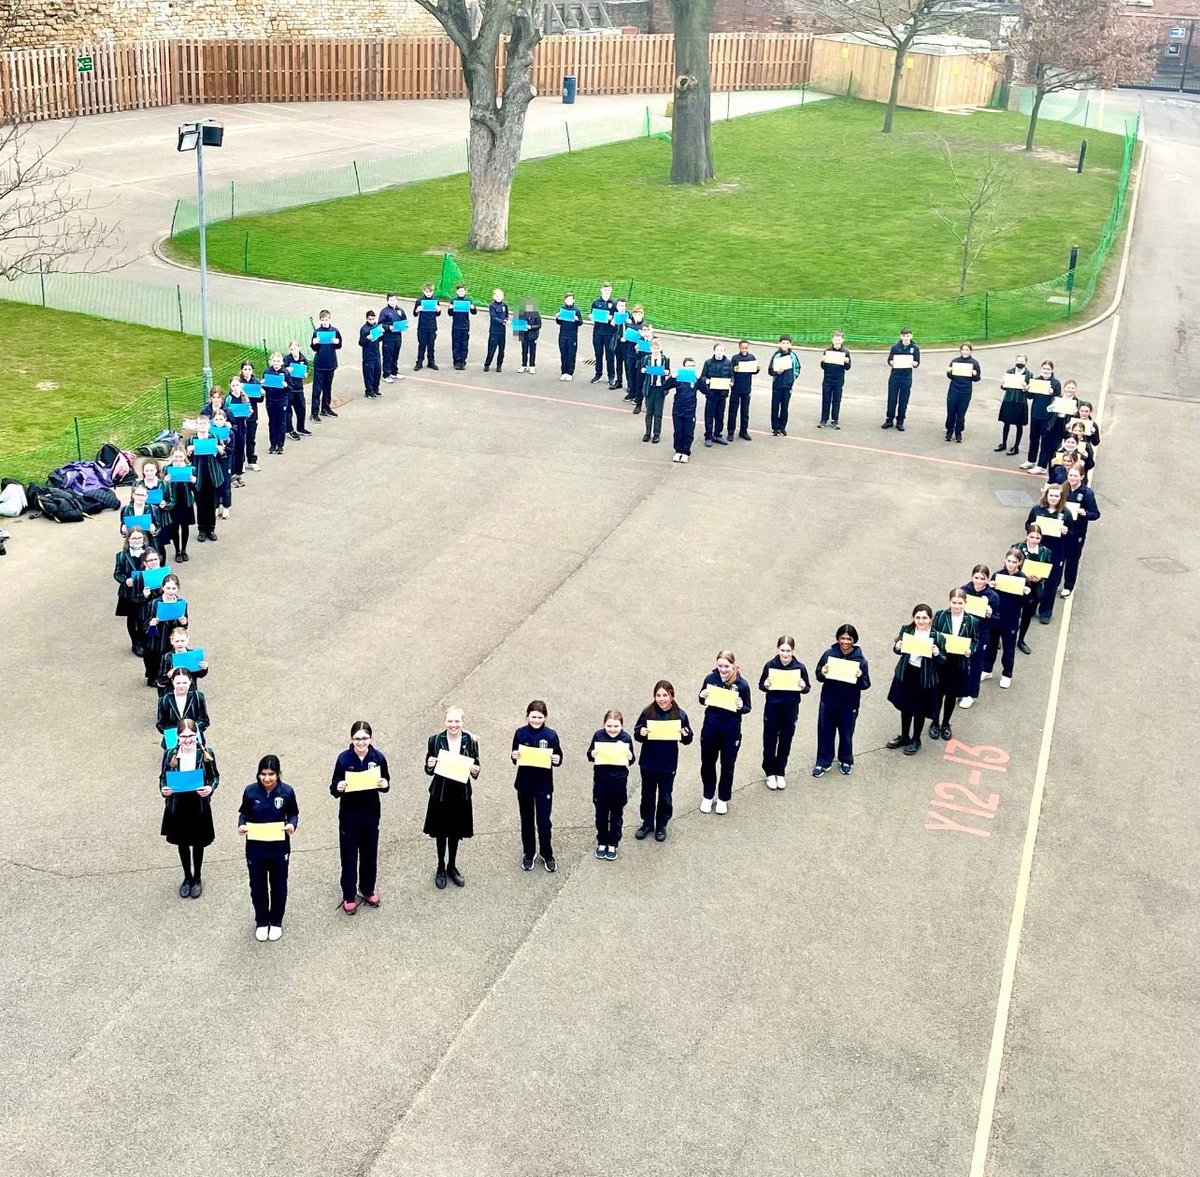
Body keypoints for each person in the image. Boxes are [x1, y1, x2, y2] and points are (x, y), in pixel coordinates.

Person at [330, 721, 391, 914]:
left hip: (371, 815)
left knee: (369, 856)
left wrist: (384, 783)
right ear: (351, 739)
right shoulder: (343, 759)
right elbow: (334, 786)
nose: (361, 742)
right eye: (357, 738)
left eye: (364, 738)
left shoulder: (378, 758)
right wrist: (338, 787)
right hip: (349, 817)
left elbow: (386, 783)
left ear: (370, 738)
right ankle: (349, 895)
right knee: (348, 857)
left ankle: (367, 889)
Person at [237, 754, 299, 941]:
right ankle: (262, 921)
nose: (267, 778)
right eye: (263, 774)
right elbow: (243, 814)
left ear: (278, 774)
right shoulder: (250, 791)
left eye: (271, 774)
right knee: (257, 886)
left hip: (279, 848)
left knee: (279, 885)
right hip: (255, 848)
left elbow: (294, 814)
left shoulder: (287, 792)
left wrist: (292, 825)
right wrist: (241, 825)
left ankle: (276, 921)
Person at [159, 719, 218, 900]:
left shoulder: (206, 753)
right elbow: (162, 778)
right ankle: (187, 877)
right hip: (178, 805)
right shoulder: (170, 754)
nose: (187, 740)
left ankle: (197, 878)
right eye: (183, 736)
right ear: (177, 736)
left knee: (198, 842)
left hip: (198, 804)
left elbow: (214, 777)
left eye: (191, 736)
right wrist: (164, 789)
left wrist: (210, 788)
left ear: (197, 735)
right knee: (182, 843)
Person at [423, 707, 480, 888]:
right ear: (444, 722)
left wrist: (475, 770)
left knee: (455, 832)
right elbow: (428, 768)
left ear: (462, 722)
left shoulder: (470, 740)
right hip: (441, 792)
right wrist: (429, 764)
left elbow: (476, 764)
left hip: (460, 792)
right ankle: (440, 866)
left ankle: (452, 866)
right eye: (450, 721)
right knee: (441, 832)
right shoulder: (435, 740)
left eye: (457, 721)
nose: (453, 725)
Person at [633, 680, 693, 841]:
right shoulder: (647, 713)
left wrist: (686, 734)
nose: (662, 699)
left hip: (668, 764)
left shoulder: (680, 715)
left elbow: (687, 739)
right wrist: (641, 732)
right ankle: (647, 823)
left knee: (665, 796)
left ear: (671, 696)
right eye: (658, 695)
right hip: (648, 763)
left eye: (665, 695)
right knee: (647, 795)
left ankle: (661, 825)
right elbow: (637, 734)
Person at [510, 700, 563, 873]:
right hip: (524, 785)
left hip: (544, 786)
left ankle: (547, 854)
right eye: (533, 716)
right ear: (527, 716)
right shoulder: (520, 733)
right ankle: (529, 853)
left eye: (540, 717)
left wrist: (557, 759)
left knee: (544, 822)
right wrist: (514, 755)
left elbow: (558, 757)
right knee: (527, 821)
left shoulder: (551, 735)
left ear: (545, 717)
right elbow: (514, 756)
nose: (536, 720)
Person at [811, 624, 871, 777]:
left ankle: (846, 760)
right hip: (828, 702)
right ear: (838, 639)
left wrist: (859, 676)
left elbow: (865, 684)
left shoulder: (860, 661)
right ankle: (823, 761)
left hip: (849, 704)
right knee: (825, 732)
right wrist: (823, 672)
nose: (845, 642)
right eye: (842, 638)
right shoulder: (829, 654)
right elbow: (818, 675)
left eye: (848, 639)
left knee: (846, 733)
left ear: (854, 640)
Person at [697, 650, 752, 814]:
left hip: (731, 730)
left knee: (727, 765)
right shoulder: (710, 679)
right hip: (711, 727)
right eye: (720, 666)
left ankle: (723, 798)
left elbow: (748, 708)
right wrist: (702, 695)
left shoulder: (742, 685)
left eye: (726, 666)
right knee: (707, 762)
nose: (723, 669)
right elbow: (702, 699)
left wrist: (742, 706)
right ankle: (708, 795)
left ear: (733, 665)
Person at [886, 604, 943, 755]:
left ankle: (916, 739)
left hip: (924, 676)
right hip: (907, 672)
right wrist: (897, 646)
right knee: (905, 706)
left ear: (931, 619)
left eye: (924, 617)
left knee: (919, 709)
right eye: (918, 617)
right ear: (913, 618)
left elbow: (942, 660)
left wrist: (936, 653)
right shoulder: (907, 630)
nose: (921, 621)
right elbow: (898, 650)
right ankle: (905, 736)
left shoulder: (937, 636)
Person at [758, 635, 811, 790]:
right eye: (782, 650)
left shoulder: (799, 667)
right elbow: (761, 684)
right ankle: (769, 772)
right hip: (772, 709)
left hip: (790, 709)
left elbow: (807, 688)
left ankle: (780, 771)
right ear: (777, 649)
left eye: (788, 650)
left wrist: (803, 686)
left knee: (785, 741)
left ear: (793, 651)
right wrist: (766, 684)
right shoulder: (770, 665)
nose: (785, 654)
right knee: (769, 741)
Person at [587, 710, 636, 860]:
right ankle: (602, 841)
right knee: (600, 816)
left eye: (616, 726)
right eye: (609, 726)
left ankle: (613, 843)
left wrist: (630, 757)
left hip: (618, 783)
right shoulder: (598, 736)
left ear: (622, 725)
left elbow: (631, 760)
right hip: (601, 783)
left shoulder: (626, 738)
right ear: (604, 725)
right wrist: (592, 754)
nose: (612, 729)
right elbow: (589, 754)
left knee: (616, 816)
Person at [931, 588, 978, 740]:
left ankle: (946, 723)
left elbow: (975, 641)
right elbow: (933, 634)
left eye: (960, 603)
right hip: (941, 661)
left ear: (965, 603)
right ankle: (934, 722)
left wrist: (970, 650)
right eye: (954, 603)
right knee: (938, 694)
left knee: (951, 695)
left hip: (958, 662)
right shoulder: (940, 615)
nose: (956, 606)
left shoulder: (971, 621)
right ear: (949, 602)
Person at [984, 549, 1030, 688]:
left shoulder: (1024, 580)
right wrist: (989, 587)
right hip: (995, 617)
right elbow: (989, 597)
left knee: (1009, 649)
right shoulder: (997, 575)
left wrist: (1026, 594)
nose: (1011, 564)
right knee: (991, 645)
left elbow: (1026, 605)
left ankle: (1007, 674)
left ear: (1019, 563)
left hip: (1011, 619)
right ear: (1005, 560)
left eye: (1014, 562)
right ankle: (987, 669)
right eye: (1009, 561)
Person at [1025, 483, 1070, 621]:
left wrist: (1067, 531)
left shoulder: (1065, 513)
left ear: (1060, 497)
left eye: (1056, 496)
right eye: (1051, 495)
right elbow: (1027, 524)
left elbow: (1071, 533)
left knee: (1051, 583)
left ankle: (1045, 612)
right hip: (1038, 551)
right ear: (1046, 496)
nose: (1053, 498)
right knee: (1033, 579)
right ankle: (1030, 608)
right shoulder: (1037, 510)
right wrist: (1032, 528)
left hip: (1056, 553)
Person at [1061, 464, 1101, 598]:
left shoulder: (1087, 493)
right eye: (1070, 475)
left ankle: (1068, 586)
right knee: (1059, 557)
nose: (1072, 478)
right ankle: (1055, 583)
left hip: (1077, 532)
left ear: (1082, 477)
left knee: (1072, 560)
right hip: (1061, 529)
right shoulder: (1064, 488)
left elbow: (1095, 514)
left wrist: (1085, 513)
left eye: (1075, 476)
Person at [142, 571, 187, 687]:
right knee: (155, 660)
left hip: (172, 637)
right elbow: (145, 625)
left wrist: (184, 622)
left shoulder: (181, 603)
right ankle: (153, 678)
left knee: (169, 659)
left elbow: (184, 626)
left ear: (178, 589)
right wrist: (152, 624)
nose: (171, 591)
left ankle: (168, 678)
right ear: (163, 588)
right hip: (157, 638)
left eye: (174, 588)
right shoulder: (155, 603)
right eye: (168, 588)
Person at [186, 415, 225, 544]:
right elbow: (187, 460)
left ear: (209, 425)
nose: (202, 426)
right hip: (198, 476)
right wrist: (189, 452)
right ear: (196, 426)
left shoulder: (214, 438)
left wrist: (221, 451)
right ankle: (202, 529)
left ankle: (211, 529)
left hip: (212, 475)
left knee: (211, 503)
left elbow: (223, 457)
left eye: (204, 423)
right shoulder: (191, 440)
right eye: (200, 424)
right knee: (201, 503)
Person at [1014, 523, 1051, 654]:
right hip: (1018, 585)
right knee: (1012, 613)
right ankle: (1004, 637)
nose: (1034, 540)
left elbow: (1048, 570)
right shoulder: (1017, 548)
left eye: (1037, 538)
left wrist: (1040, 578)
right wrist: (1023, 575)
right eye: (1032, 537)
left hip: (1034, 588)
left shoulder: (1045, 552)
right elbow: (1010, 566)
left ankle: (1021, 640)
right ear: (1027, 536)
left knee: (1027, 616)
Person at [1020, 360, 1061, 473]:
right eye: (1044, 368)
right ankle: (1031, 460)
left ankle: (1042, 465)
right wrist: (1026, 390)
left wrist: (1052, 392)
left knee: (1045, 441)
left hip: (1047, 416)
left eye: (1048, 369)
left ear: (1052, 370)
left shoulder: (1055, 383)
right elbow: (1030, 396)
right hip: (1035, 414)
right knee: (1033, 438)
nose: (1046, 371)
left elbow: (1058, 398)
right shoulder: (1036, 380)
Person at [156, 666, 210, 748]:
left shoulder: (198, 697)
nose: (181, 686)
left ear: (190, 681)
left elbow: (204, 720)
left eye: (184, 683)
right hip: (173, 739)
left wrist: (190, 729)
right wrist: (177, 732)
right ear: (172, 682)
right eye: (178, 683)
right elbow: (161, 724)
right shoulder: (165, 700)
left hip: (194, 739)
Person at [114, 528, 149, 654]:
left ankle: (144, 640)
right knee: (133, 618)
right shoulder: (121, 556)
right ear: (128, 539)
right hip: (129, 593)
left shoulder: (149, 553)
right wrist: (125, 580)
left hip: (146, 590)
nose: (137, 540)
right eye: (134, 538)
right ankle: (136, 643)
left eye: (139, 537)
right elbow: (117, 574)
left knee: (144, 617)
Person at [883, 327, 920, 431]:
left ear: (911, 336)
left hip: (906, 377)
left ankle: (900, 421)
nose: (906, 338)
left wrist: (915, 363)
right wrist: (891, 362)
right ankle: (889, 419)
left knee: (903, 400)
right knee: (892, 399)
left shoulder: (915, 348)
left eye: (908, 336)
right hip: (895, 376)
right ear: (901, 336)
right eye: (904, 336)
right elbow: (890, 359)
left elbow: (917, 361)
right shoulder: (895, 347)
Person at [944, 342, 982, 443]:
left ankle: (958, 432)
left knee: (961, 413)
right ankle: (949, 430)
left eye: (967, 350)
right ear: (960, 351)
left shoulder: (974, 363)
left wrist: (975, 374)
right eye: (963, 349)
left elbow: (977, 378)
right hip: (954, 389)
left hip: (965, 391)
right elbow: (950, 376)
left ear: (970, 351)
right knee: (951, 411)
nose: (965, 352)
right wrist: (949, 371)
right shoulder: (955, 361)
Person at [697, 343, 732, 448]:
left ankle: (718, 435)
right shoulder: (708, 363)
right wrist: (706, 380)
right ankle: (708, 436)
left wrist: (732, 382)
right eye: (717, 350)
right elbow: (702, 376)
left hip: (722, 394)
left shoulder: (728, 363)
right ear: (714, 351)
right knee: (709, 416)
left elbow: (731, 376)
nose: (719, 352)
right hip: (711, 394)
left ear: (724, 352)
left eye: (721, 350)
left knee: (720, 416)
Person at [309, 311, 342, 421]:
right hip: (319, 364)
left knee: (328, 388)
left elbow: (339, 345)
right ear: (320, 320)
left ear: (330, 319)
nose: (325, 322)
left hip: (330, 363)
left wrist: (337, 342)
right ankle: (314, 413)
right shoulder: (317, 332)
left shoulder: (335, 331)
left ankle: (325, 408)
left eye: (326, 320)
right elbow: (314, 348)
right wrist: (314, 343)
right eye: (322, 320)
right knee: (317, 390)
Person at [164, 448, 195, 563]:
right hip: (173, 503)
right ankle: (177, 551)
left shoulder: (190, 469)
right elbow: (163, 488)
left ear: (184, 457)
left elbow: (195, 489)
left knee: (185, 527)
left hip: (186, 502)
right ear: (172, 456)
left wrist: (194, 481)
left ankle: (184, 550)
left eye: (180, 457)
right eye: (176, 457)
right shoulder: (167, 469)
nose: (178, 459)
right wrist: (165, 481)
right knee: (175, 527)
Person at [156, 623, 209, 691]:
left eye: (182, 641)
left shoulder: (192, 654)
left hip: (190, 689)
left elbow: (200, 674)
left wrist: (204, 668)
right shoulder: (167, 657)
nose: (180, 644)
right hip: (173, 691)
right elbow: (160, 679)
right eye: (177, 641)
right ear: (172, 641)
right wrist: (168, 675)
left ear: (187, 640)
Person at [996, 353, 1031, 454]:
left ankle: (1016, 447)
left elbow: (1029, 392)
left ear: (1026, 362)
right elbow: (1004, 387)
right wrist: (1002, 385)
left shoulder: (1029, 374)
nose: (1020, 363)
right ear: (1016, 361)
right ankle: (1003, 443)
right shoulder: (1009, 371)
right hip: (1009, 400)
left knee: (1019, 425)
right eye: (1018, 361)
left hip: (1020, 402)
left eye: (1022, 361)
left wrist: (1026, 388)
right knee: (1006, 423)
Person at [639, 339, 671, 443]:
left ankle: (657, 434)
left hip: (660, 388)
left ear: (661, 349)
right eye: (654, 348)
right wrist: (643, 370)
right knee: (649, 412)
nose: (656, 350)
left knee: (658, 412)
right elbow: (642, 369)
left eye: (657, 348)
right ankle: (647, 433)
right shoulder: (647, 358)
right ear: (650, 348)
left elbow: (668, 371)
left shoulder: (665, 359)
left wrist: (666, 372)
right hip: (650, 388)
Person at [818, 330, 851, 429]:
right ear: (832, 340)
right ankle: (824, 419)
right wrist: (823, 361)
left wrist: (846, 362)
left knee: (836, 400)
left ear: (842, 340)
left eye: (839, 340)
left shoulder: (845, 352)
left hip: (839, 380)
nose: (837, 341)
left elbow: (848, 367)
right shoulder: (827, 351)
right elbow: (823, 367)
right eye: (835, 339)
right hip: (828, 379)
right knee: (826, 399)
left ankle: (834, 420)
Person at [768, 335, 800, 437]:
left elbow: (798, 368)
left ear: (790, 344)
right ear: (779, 344)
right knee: (775, 406)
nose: (785, 345)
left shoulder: (793, 356)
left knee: (785, 407)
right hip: (777, 385)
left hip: (788, 386)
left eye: (787, 343)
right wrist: (777, 372)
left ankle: (782, 427)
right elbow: (770, 370)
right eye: (783, 343)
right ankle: (775, 427)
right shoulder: (776, 355)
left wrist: (793, 378)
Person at [727, 339, 757, 441]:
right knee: (733, 411)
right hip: (736, 389)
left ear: (748, 348)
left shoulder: (751, 357)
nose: (744, 349)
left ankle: (743, 432)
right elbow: (730, 372)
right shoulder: (735, 358)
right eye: (742, 348)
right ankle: (730, 432)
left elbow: (753, 371)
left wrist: (757, 369)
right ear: (739, 348)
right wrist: (734, 370)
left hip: (746, 388)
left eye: (746, 348)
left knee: (745, 412)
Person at [262, 351, 292, 452]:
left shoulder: (285, 373)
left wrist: (286, 385)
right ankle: (272, 444)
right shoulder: (267, 372)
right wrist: (263, 385)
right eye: (274, 361)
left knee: (281, 422)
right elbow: (265, 387)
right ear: (271, 361)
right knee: (272, 422)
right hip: (270, 401)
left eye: (278, 361)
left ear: (282, 362)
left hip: (282, 401)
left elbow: (290, 387)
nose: (276, 363)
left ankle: (280, 445)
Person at [589, 282, 618, 386]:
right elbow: (592, 315)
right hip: (598, 332)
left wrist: (612, 318)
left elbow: (618, 318)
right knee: (598, 354)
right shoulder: (596, 302)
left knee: (610, 356)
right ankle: (598, 374)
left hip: (610, 333)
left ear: (611, 290)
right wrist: (591, 317)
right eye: (605, 290)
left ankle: (611, 376)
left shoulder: (614, 303)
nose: (606, 292)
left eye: (608, 290)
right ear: (601, 290)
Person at [671, 359, 697, 463]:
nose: (690, 367)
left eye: (692, 366)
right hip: (678, 409)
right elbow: (666, 387)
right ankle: (678, 451)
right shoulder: (679, 378)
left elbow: (705, 391)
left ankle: (686, 452)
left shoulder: (695, 379)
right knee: (678, 431)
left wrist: (700, 379)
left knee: (688, 432)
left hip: (690, 410)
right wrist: (672, 377)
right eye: (688, 366)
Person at [283, 341, 311, 438]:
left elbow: (306, 369)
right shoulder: (286, 359)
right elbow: (282, 371)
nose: (293, 351)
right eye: (291, 349)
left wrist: (305, 374)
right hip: (290, 389)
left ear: (299, 348)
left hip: (299, 388)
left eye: (295, 349)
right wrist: (287, 370)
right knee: (288, 411)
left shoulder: (303, 359)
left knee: (301, 409)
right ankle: (290, 430)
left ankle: (301, 428)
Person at [378, 294, 407, 383]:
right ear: (387, 301)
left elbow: (404, 320)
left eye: (394, 300)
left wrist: (405, 325)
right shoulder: (384, 312)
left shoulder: (400, 310)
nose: (393, 302)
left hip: (398, 336)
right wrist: (388, 327)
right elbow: (380, 324)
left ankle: (394, 372)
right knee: (388, 356)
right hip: (388, 337)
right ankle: (386, 374)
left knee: (395, 355)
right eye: (391, 300)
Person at [621, 304, 648, 400]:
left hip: (640, 355)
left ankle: (638, 394)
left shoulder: (645, 326)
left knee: (639, 375)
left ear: (642, 314)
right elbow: (626, 337)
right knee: (630, 373)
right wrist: (624, 338)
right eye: (635, 314)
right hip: (630, 353)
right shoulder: (629, 325)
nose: (637, 315)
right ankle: (631, 392)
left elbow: (649, 339)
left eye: (639, 313)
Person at [447, 282, 476, 370]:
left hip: (465, 326)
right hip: (456, 326)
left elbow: (474, 312)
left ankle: (463, 361)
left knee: (464, 344)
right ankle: (457, 362)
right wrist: (450, 308)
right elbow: (450, 314)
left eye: (462, 291)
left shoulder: (468, 301)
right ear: (457, 292)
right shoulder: (453, 301)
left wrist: (473, 308)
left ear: (465, 292)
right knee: (456, 344)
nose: (461, 292)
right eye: (459, 291)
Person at [413, 284, 441, 371]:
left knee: (431, 346)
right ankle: (419, 363)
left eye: (430, 292)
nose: (429, 293)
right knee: (422, 345)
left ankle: (431, 362)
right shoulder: (419, 301)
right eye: (427, 292)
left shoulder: (435, 300)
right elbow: (414, 314)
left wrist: (438, 310)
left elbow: (437, 314)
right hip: (422, 327)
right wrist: (417, 310)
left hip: (432, 327)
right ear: (423, 291)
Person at [556, 293, 583, 381]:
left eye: (571, 299)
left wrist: (576, 319)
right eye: (567, 299)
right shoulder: (562, 309)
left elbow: (580, 323)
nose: (569, 301)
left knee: (571, 354)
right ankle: (563, 372)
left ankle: (570, 372)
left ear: (573, 300)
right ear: (565, 300)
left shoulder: (576, 310)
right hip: (563, 334)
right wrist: (558, 318)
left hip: (572, 335)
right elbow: (559, 322)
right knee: (563, 353)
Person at [358, 310, 383, 398]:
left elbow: (379, 339)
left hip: (376, 354)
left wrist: (381, 334)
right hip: (368, 356)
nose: (372, 321)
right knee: (369, 374)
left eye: (373, 319)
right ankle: (369, 391)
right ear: (367, 319)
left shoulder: (377, 326)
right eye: (370, 319)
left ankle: (376, 389)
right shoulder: (364, 329)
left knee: (377, 372)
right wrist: (367, 338)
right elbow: (361, 343)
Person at [484, 288, 509, 372]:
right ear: (494, 297)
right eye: (497, 296)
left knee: (501, 350)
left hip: (502, 331)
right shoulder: (492, 306)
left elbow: (506, 315)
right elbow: (494, 317)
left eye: (500, 296)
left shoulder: (504, 305)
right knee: (491, 349)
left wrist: (506, 319)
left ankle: (499, 365)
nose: (499, 297)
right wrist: (502, 321)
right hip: (494, 331)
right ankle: (487, 364)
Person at [517, 299, 541, 373]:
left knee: (532, 351)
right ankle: (523, 365)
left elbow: (539, 325)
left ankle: (532, 366)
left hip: (533, 335)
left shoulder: (536, 314)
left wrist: (530, 327)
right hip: (524, 335)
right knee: (524, 351)